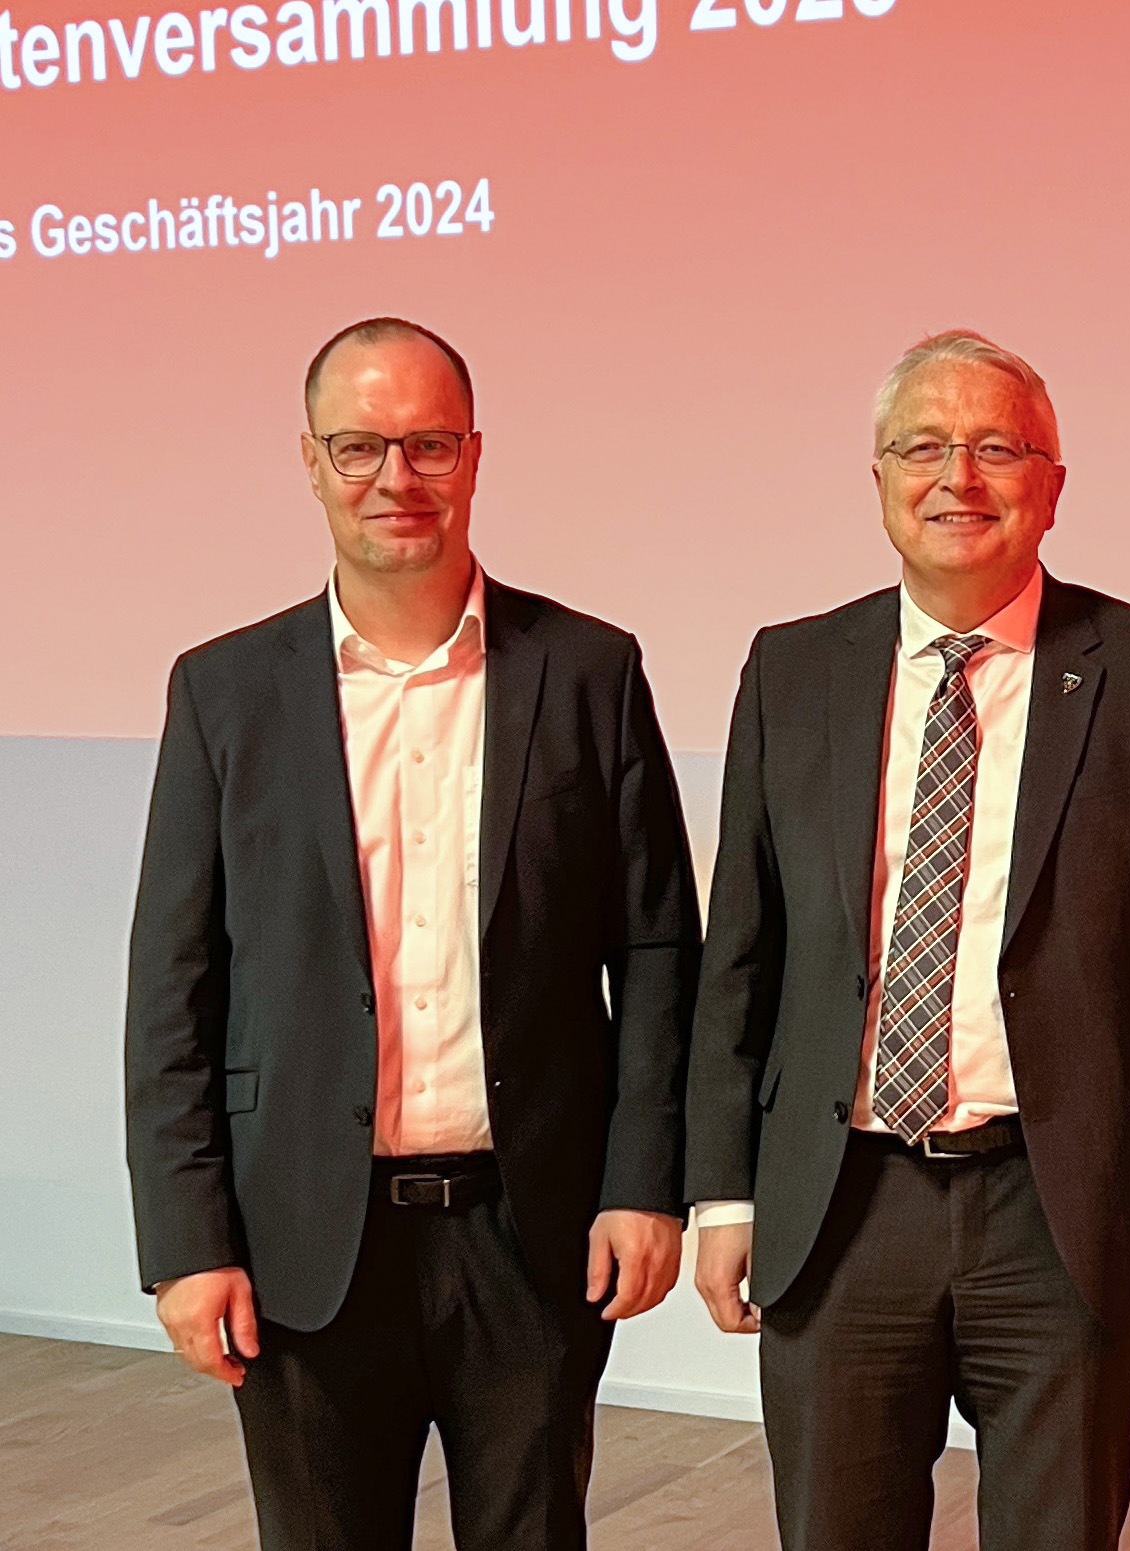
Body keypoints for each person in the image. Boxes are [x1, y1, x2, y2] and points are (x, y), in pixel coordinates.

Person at [685, 329, 1130, 1551]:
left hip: (1062, 1207)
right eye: (924, 447)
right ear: (879, 478)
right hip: (842, 1205)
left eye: (997, 447)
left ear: (1052, 483)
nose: (959, 477)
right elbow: (738, 951)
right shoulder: (793, 669)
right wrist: (721, 1193)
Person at [124, 317, 700, 1550]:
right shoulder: (223, 692)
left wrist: (645, 1183)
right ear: (310, 462)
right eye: (361, 447)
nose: (398, 478)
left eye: (429, 444)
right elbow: (176, 987)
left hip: (531, 1237)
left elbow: (657, 951)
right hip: (303, 1249)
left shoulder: (588, 670)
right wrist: (185, 1244)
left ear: (476, 455)